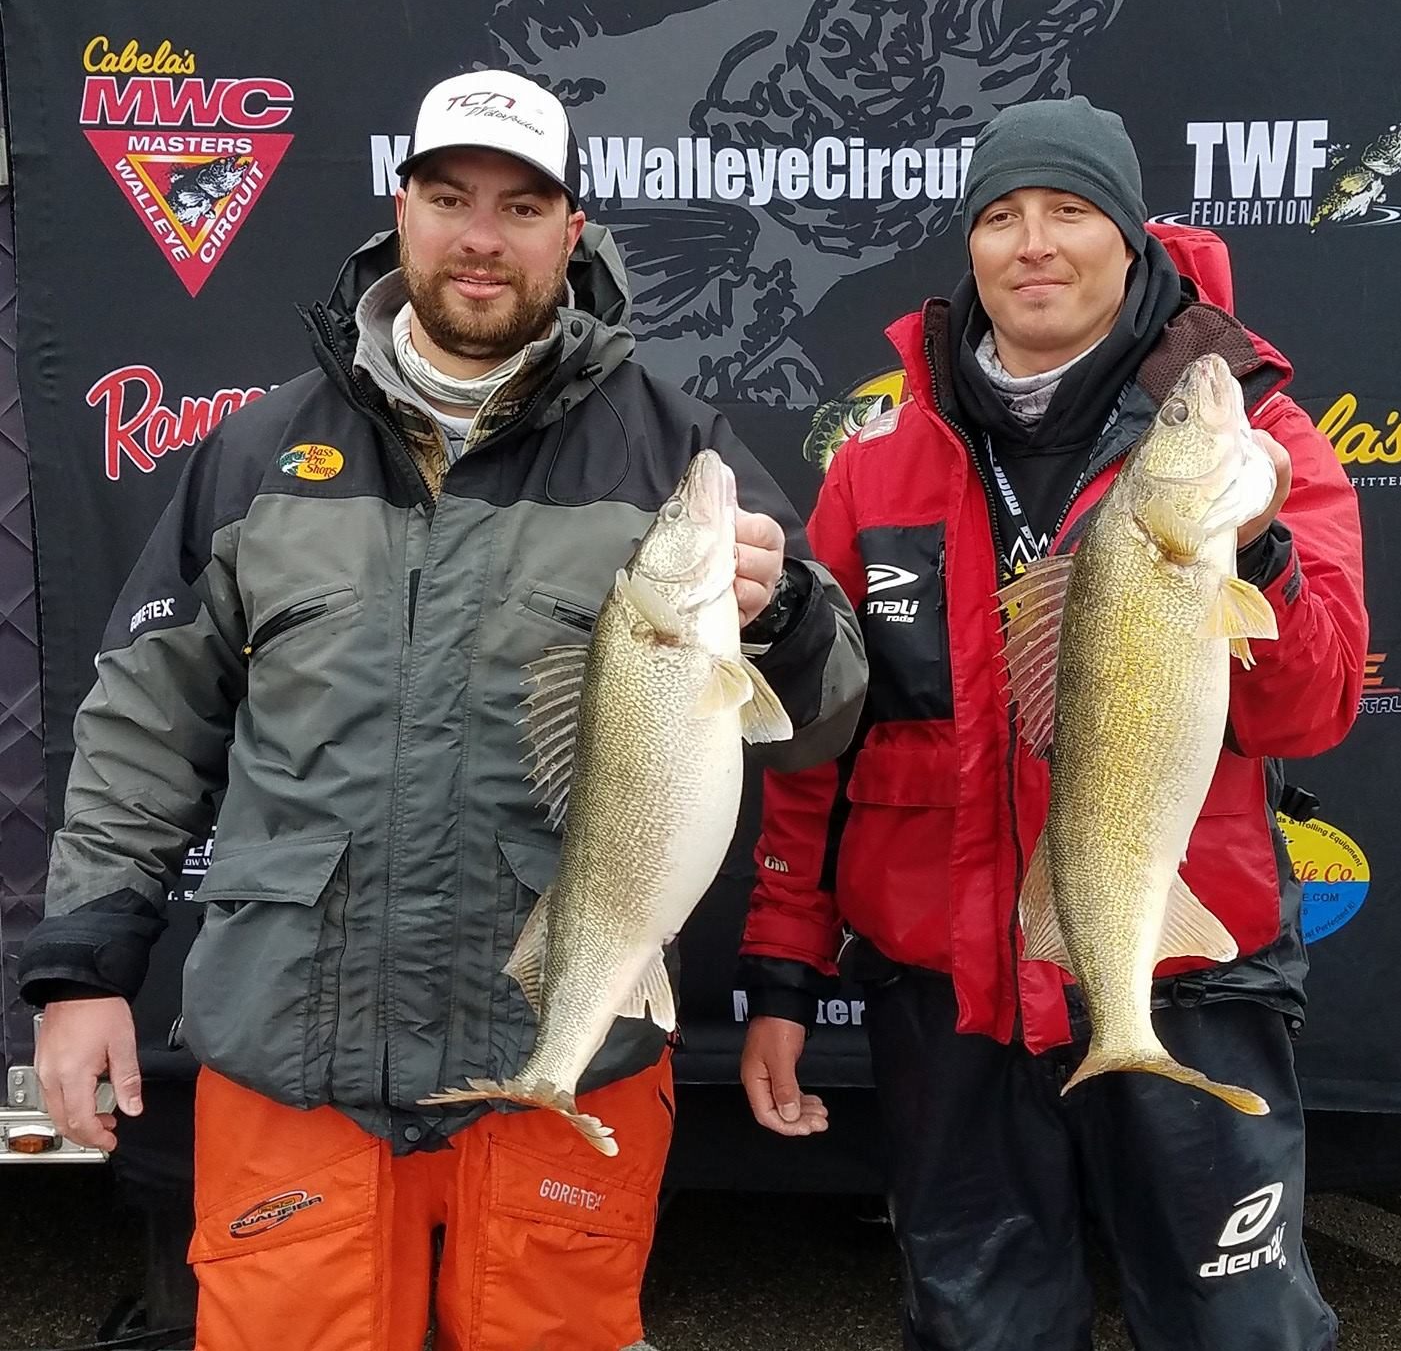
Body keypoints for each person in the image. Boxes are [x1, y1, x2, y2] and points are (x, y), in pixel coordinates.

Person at [20, 69, 866, 1351]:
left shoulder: (674, 452)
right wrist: (83, 972)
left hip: (560, 1065)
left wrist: (787, 612)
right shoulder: (258, 455)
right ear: (399, 207)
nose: (484, 236)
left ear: (572, 231)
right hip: (293, 1069)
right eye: (452, 196)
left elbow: (823, 720)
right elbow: (145, 725)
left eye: (523, 205)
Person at [738, 97, 1366, 1351]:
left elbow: (1318, 703)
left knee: (1239, 1334)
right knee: (983, 1334)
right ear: (968, 246)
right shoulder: (877, 461)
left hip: (1184, 976)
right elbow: (820, 747)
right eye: (1001, 216)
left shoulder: (1260, 439)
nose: (1034, 243)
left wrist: (1266, 551)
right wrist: (782, 970)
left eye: (1069, 212)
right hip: (950, 999)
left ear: (1130, 240)